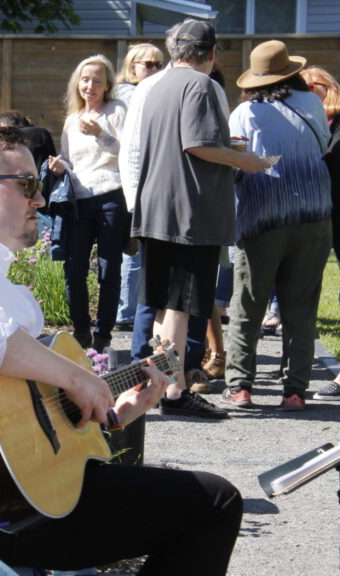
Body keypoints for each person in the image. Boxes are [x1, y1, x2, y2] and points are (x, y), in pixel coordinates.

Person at [0, 127, 242, 574]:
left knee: (208, 501)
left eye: (41, 185)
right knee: (216, 502)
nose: (40, 200)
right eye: (27, 185)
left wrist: (114, 414)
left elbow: (24, 415)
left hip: (19, 493)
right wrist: (80, 378)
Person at [131, 19, 269, 419]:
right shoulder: (203, 85)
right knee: (178, 307)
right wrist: (246, 160)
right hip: (189, 211)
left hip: (156, 205)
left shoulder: (154, 85)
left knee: (161, 305)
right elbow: (199, 144)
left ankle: (159, 386)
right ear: (211, 54)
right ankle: (174, 392)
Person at [220, 41, 333, 412]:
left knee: (248, 304)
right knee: (300, 307)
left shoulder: (244, 113)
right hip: (315, 217)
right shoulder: (314, 104)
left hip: (263, 217)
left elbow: (235, 164)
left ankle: (240, 387)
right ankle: (296, 390)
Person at [47, 55, 126, 353]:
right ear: (76, 83)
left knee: (109, 267)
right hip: (79, 199)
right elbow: (71, 160)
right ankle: (81, 329)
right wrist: (59, 165)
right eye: (84, 79)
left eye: (96, 79)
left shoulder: (117, 111)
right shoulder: (70, 119)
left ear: (107, 85)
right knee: (74, 267)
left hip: (110, 195)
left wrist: (100, 134)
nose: (89, 85)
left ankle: (104, 332)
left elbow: (128, 151)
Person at [300, 66, 340, 401]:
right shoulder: (313, 122)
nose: (304, 94)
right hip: (324, 216)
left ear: (326, 86)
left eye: (309, 87)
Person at [113, 43, 164, 333]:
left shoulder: (142, 93)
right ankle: (126, 311)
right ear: (132, 67)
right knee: (134, 250)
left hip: (139, 181)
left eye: (159, 64)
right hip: (132, 183)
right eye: (148, 64)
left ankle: (128, 310)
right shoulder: (130, 96)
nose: (155, 69)